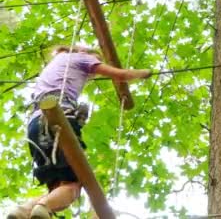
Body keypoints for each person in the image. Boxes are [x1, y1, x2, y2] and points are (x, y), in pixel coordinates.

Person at [7, 45, 151, 219]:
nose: (92, 75)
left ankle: (22, 211)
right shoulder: (83, 58)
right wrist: (145, 73)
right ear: (86, 53)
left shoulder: (56, 61)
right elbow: (121, 75)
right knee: (74, 186)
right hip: (58, 118)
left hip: (34, 124)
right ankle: (41, 206)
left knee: (59, 190)